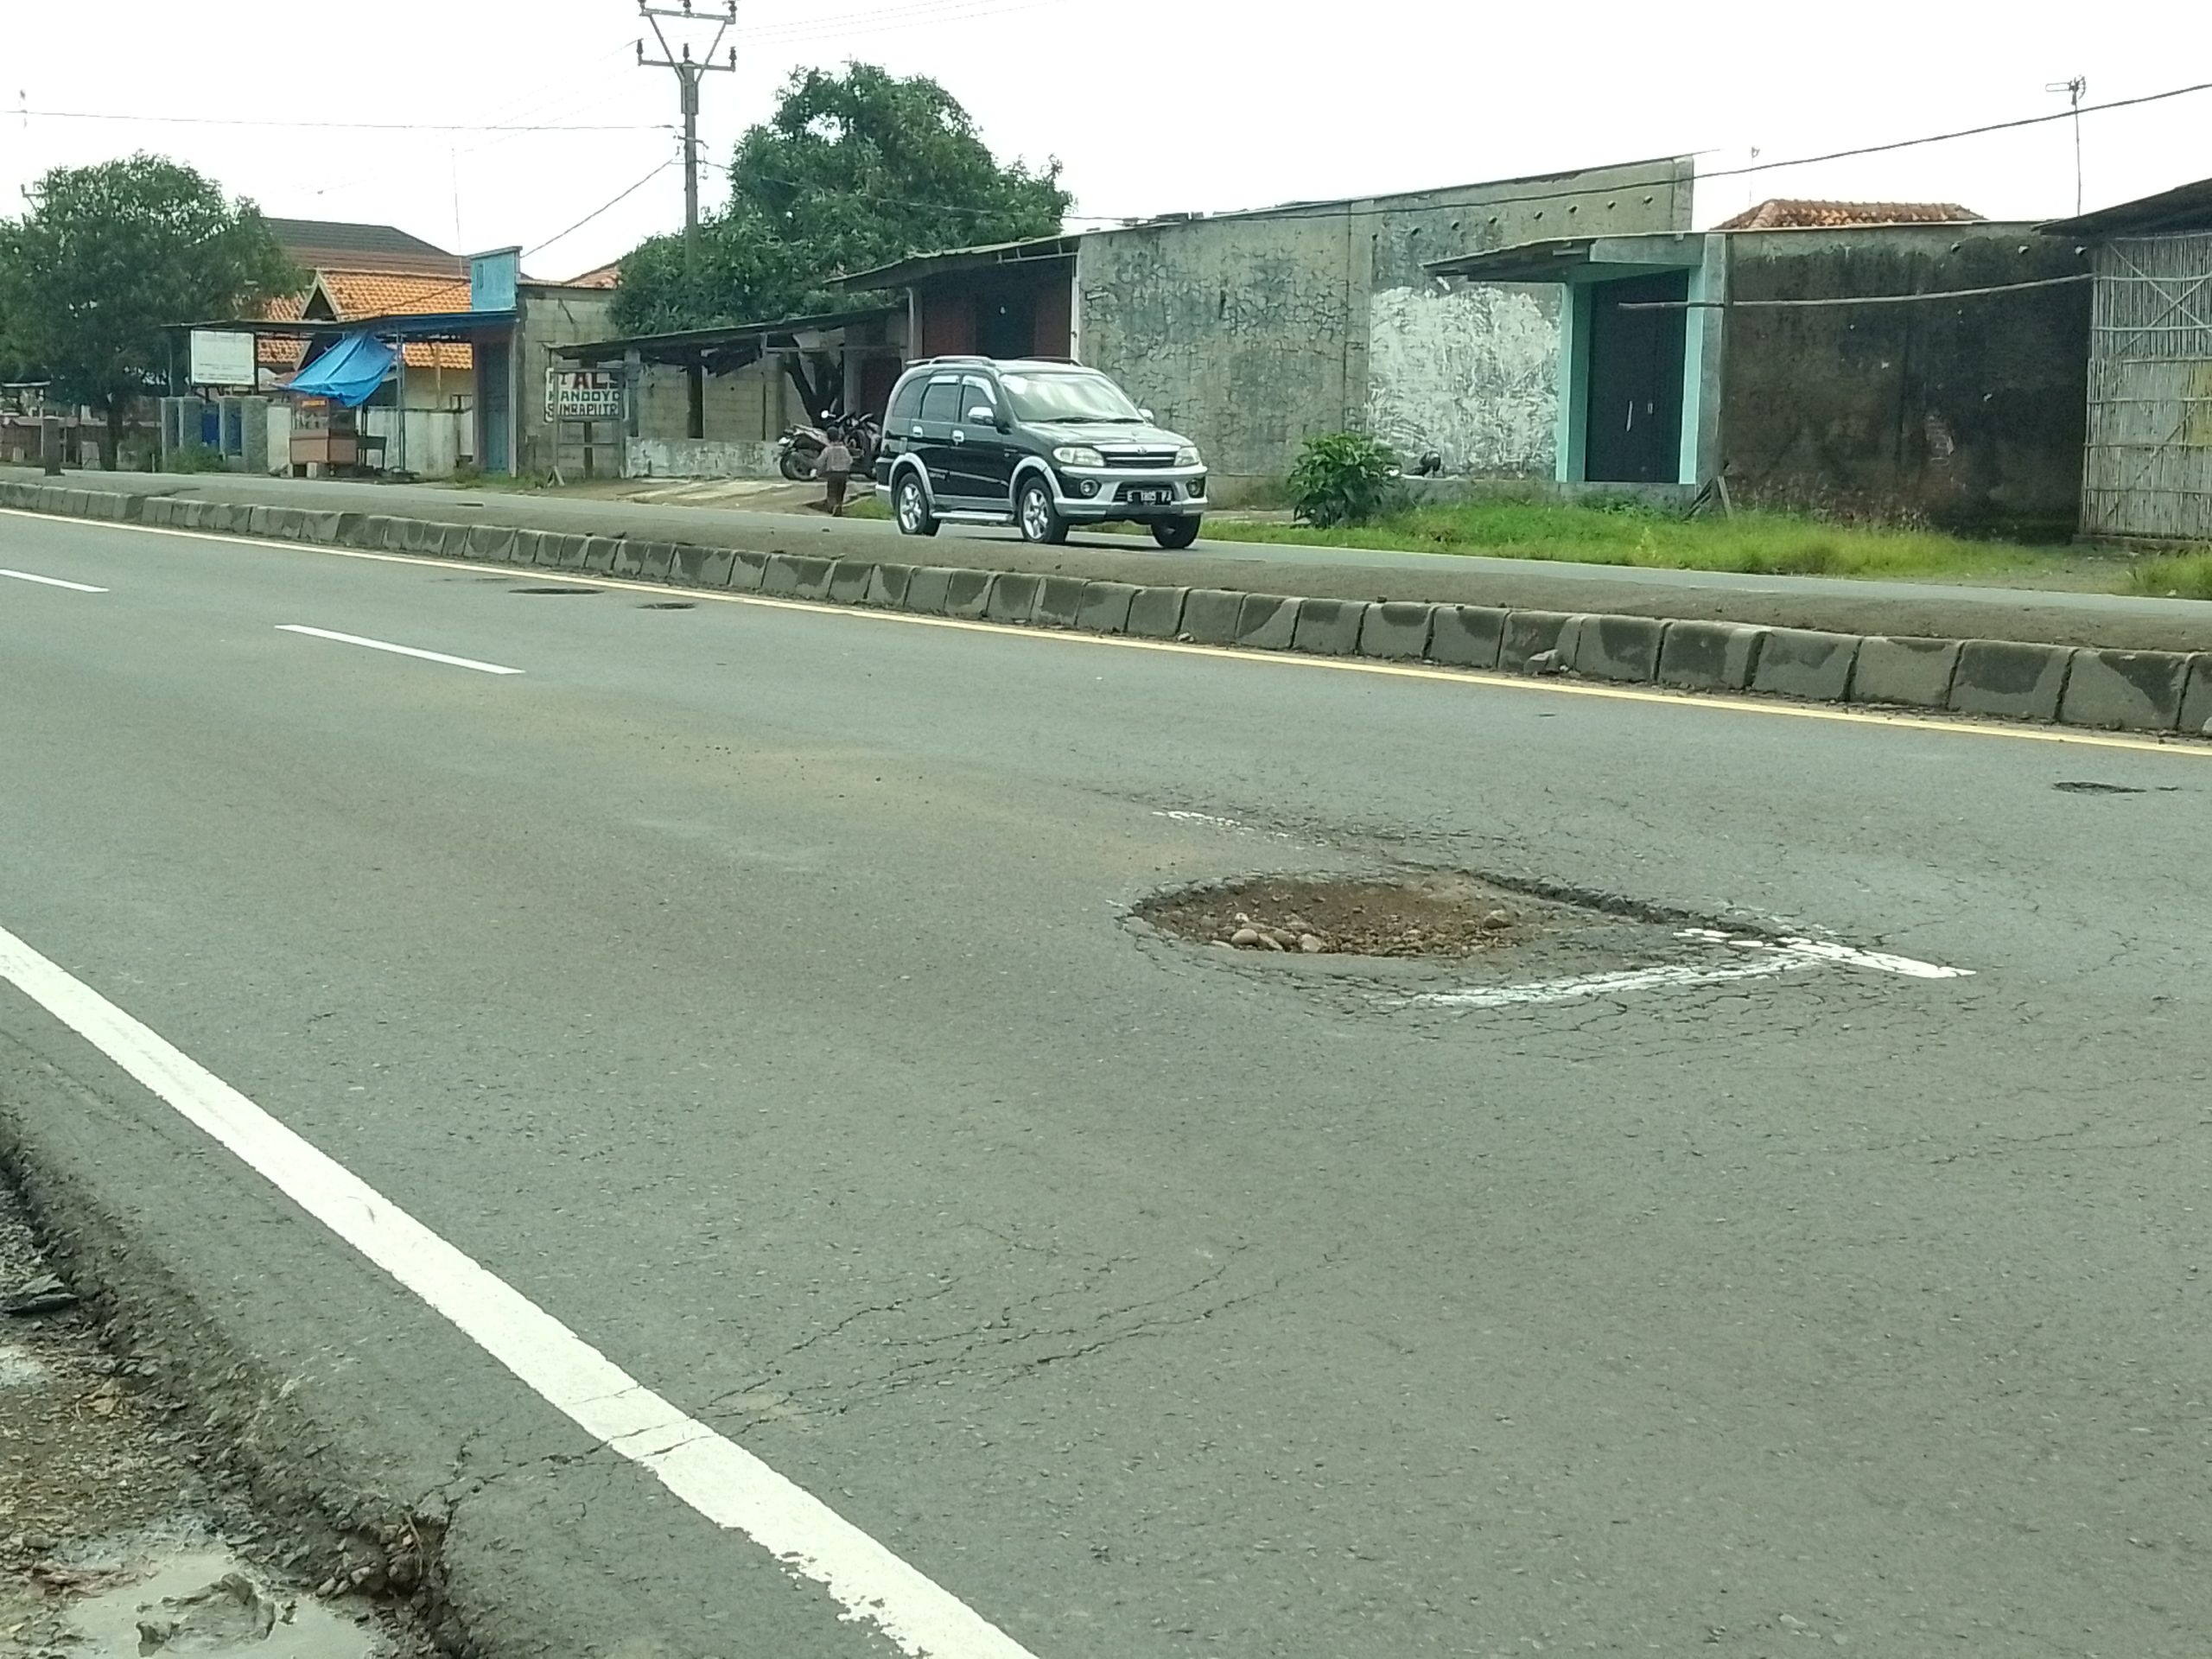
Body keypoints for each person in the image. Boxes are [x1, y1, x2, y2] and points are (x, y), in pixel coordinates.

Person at [819, 429, 855, 516]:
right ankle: (839, 507)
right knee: (840, 492)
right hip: (843, 474)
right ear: (838, 436)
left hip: (832, 474)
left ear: (828, 438)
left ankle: (833, 507)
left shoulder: (828, 450)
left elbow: (820, 462)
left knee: (832, 492)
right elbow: (850, 461)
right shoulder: (844, 449)